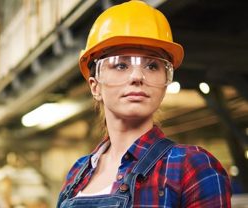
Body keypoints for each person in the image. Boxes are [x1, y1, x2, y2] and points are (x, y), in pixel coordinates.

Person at [57, 1, 232, 207]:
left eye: (152, 66)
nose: (137, 76)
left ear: (164, 85)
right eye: (121, 65)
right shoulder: (78, 172)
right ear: (95, 87)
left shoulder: (191, 166)